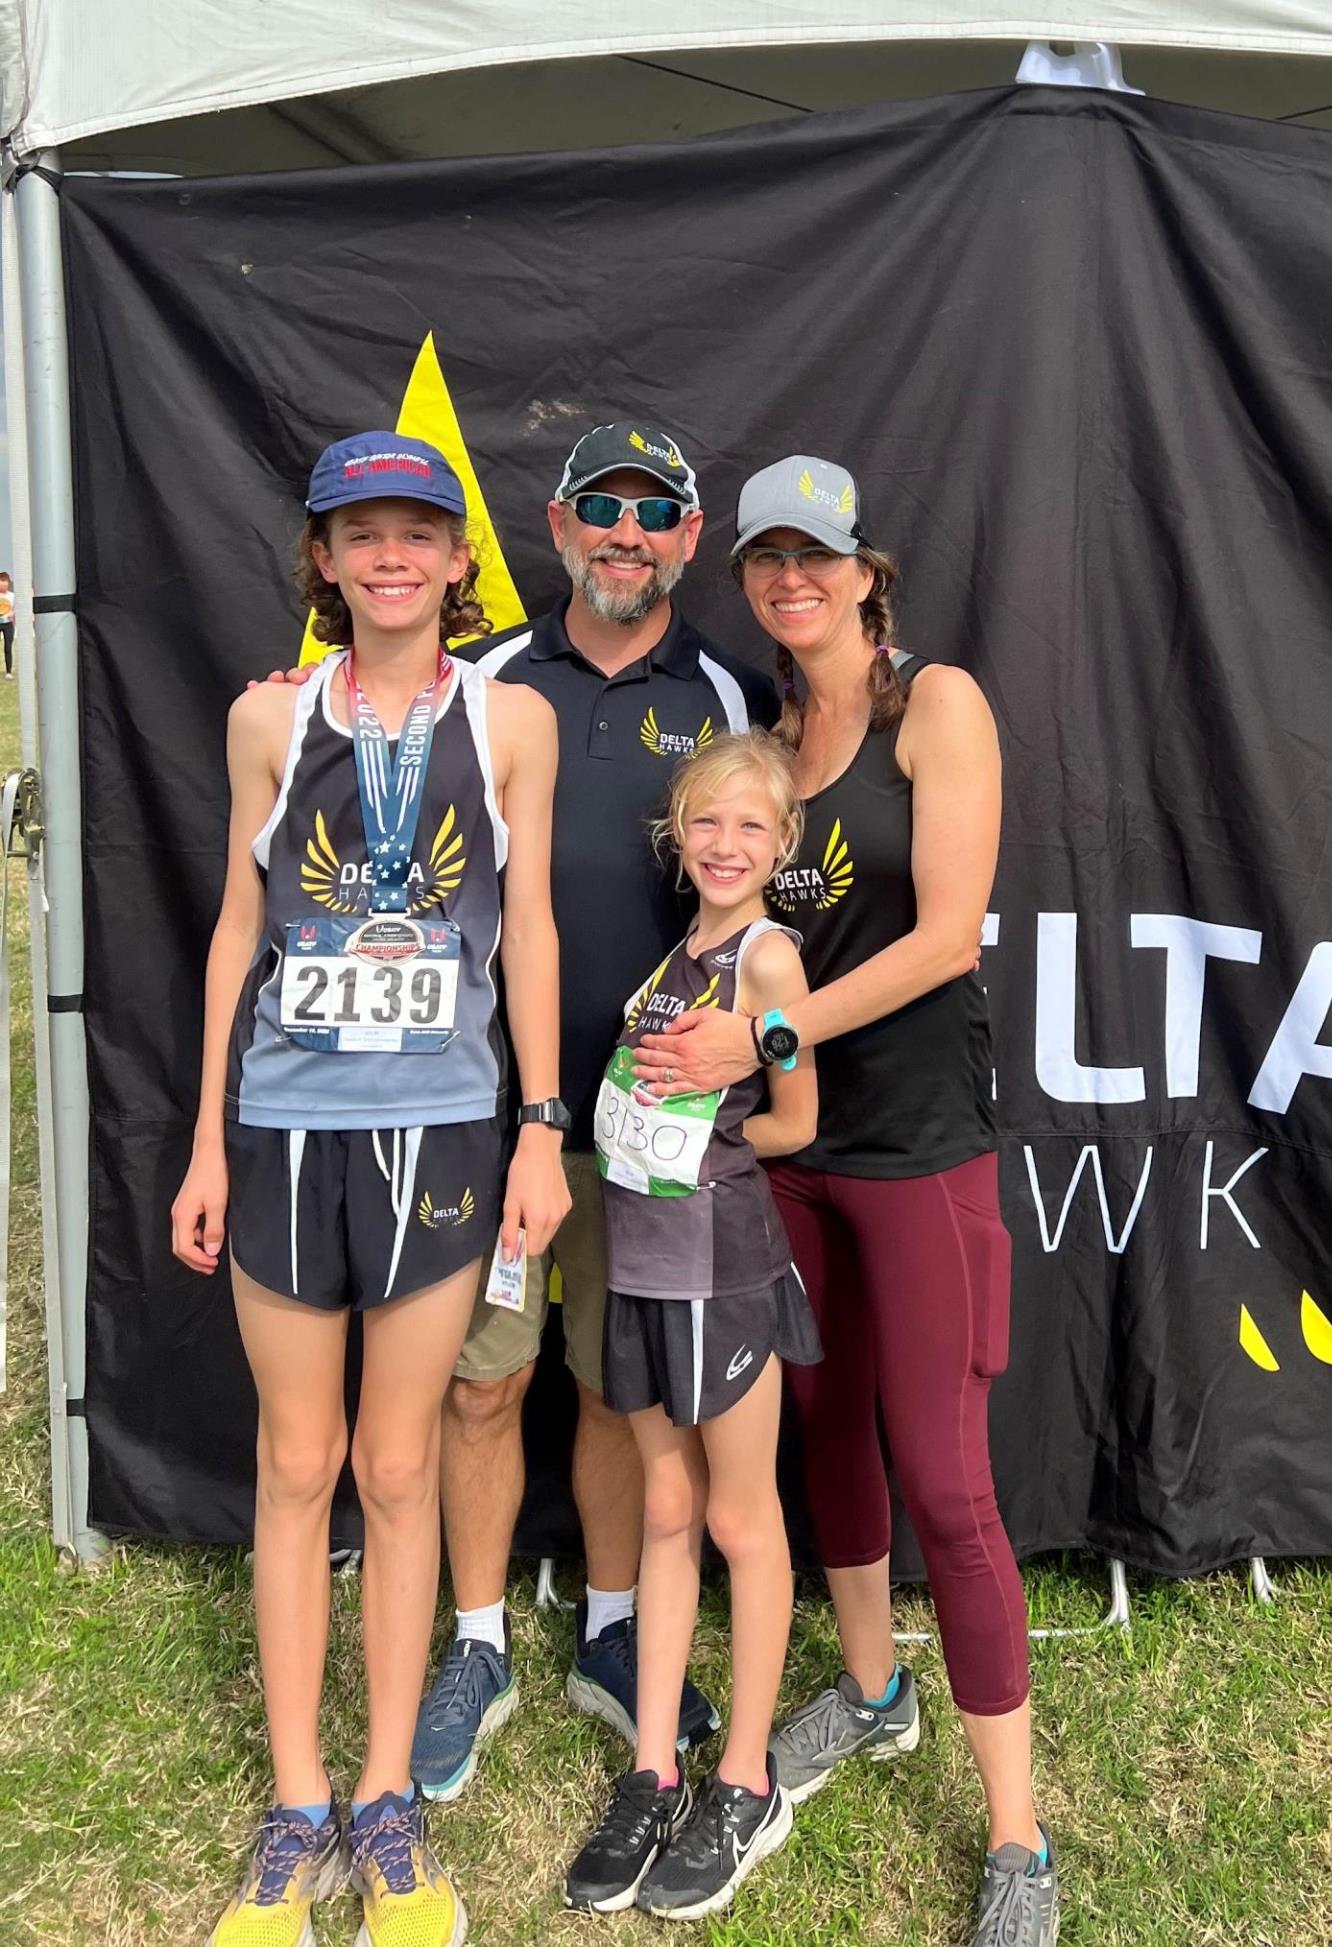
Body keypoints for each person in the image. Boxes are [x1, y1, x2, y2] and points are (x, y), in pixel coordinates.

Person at [630, 456, 1057, 1946]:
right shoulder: (763, 737)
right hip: (785, 1154)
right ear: (745, 578)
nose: (790, 580)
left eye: (818, 556)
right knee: (826, 1431)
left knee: (947, 1478)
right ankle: (874, 1692)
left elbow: (947, 934)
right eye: (766, 560)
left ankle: (1017, 1835)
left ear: (869, 571)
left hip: (919, 1144)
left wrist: (765, 1035)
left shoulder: (933, 704)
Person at [171, 431, 571, 1947]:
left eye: (420, 529)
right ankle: (295, 1806)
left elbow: (528, 931)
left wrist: (542, 1126)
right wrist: (207, 1136)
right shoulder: (265, 719)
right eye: (362, 532)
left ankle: (389, 1801)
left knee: (398, 1468)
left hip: (448, 1128)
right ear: (324, 562)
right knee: (297, 1461)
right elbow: (234, 928)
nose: (391, 554)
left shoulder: (509, 718)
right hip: (283, 1122)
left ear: (461, 560)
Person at [409, 423, 780, 1799]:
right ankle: (479, 1638)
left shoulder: (731, 694)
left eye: (655, 512)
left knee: (626, 1392)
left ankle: (619, 1633)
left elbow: (773, 886)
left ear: (689, 538)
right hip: (497, 1112)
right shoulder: (488, 677)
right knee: (483, 1378)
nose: (626, 533)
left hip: (660, 1138)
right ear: (556, 528)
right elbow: (372, 752)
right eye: (599, 510)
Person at [564, 730, 820, 1919]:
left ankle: (742, 1776)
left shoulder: (766, 958)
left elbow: (793, 1111)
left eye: (751, 828)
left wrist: (716, 1149)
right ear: (680, 833)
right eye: (707, 824)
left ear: (783, 845)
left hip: (722, 1270)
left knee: (736, 1513)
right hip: (640, 1267)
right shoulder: (681, 952)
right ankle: (652, 1765)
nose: (726, 845)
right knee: (666, 1508)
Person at [0, 570, 16, 676]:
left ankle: (9, 671)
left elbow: (17, 607)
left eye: (5, 581)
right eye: (1, 581)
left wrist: (12, 613)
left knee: (8, 647)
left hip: (8, 624)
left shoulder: (12, 596)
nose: (4, 584)